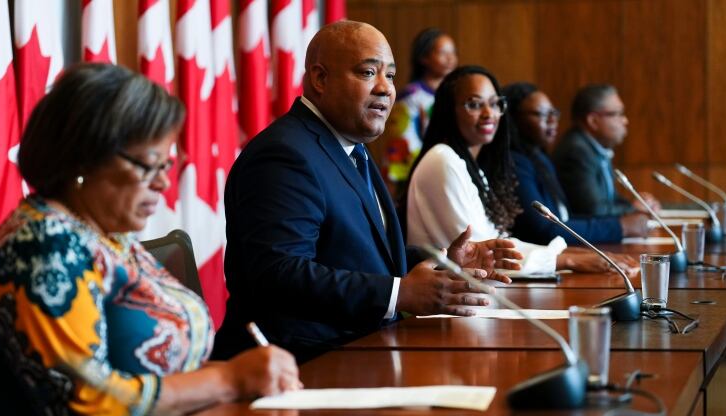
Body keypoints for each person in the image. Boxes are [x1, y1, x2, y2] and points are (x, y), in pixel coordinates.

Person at [0, 64, 300, 416]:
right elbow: (89, 407)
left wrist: (252, 375)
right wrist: (229, 379)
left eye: (167, 164)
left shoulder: (109, 236)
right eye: (147, 165)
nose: (162, 182)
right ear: (83, 159)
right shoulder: (43, 245)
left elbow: (160, 372)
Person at [215, 22, 521, 363]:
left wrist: (441, 262)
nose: (385, 89)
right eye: (368, 72)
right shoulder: (285, 155)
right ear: (319, 79)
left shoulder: (350, 146)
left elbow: (353, 253)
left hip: (359, 348)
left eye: (390, 76)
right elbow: (280, 273)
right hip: (302, 363)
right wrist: (399, 293)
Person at [404, 66, 638, 276]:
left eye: (495, 103)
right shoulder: (443, 160)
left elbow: (499, 243)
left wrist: (577, 255)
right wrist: (565, 260)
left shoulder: (468, 164)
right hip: (446, 311)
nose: (489, 113)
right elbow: (480, 253)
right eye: (474, 104)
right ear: (448, 111)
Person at [503, 82, 649, 245]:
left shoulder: (540, 159)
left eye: (554, 113)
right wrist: (620, 227)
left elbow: (565, 217)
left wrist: (624, 220)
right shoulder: (515, 163)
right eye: (542, 114)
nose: (552, 120)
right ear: (514, 118)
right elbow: (544, 230)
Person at [371, 27, 457, 197]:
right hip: (416, 175)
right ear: (424, 58)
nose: (450, 58)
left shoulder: (456, 93)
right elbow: (402, 143)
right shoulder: (412, 96)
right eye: (442, 53)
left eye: (453, 52)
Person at [552, 83, 660, 216]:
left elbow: (609, 199)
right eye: (618, 114)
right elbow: (594, 210)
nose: (625, 120)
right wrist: (633, 209)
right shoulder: (577, 151)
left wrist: (637, 204)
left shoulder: (596, 147)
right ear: (593, 121)